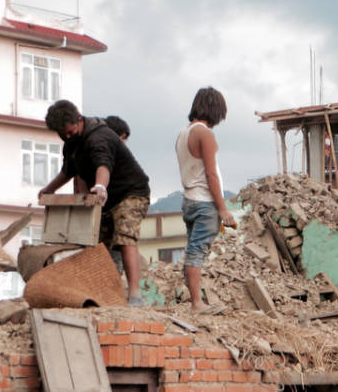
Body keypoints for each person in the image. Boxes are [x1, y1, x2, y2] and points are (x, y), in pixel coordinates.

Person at [39, 100, 150, 306]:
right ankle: (106, 293)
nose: (67, 137)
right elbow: (68, 171)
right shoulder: (71, 144)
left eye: (70, 132)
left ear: (79, 120)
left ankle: (135, 294)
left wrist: (99, 186)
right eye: (63, 135)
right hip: (106, 199)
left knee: (125, 235)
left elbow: (103, 165)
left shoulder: (99, 137)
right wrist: (49, 190)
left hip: (131, 192)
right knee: (99, 244)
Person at [176, 86, 236, 313]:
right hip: (204, 202)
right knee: (197, 252)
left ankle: (194, 300)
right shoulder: (205, 134)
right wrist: (223, 208)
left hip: (188, 200)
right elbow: (211, 174)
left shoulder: (182, 134)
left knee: (192, 249)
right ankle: (197, 303)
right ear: (215, 110)